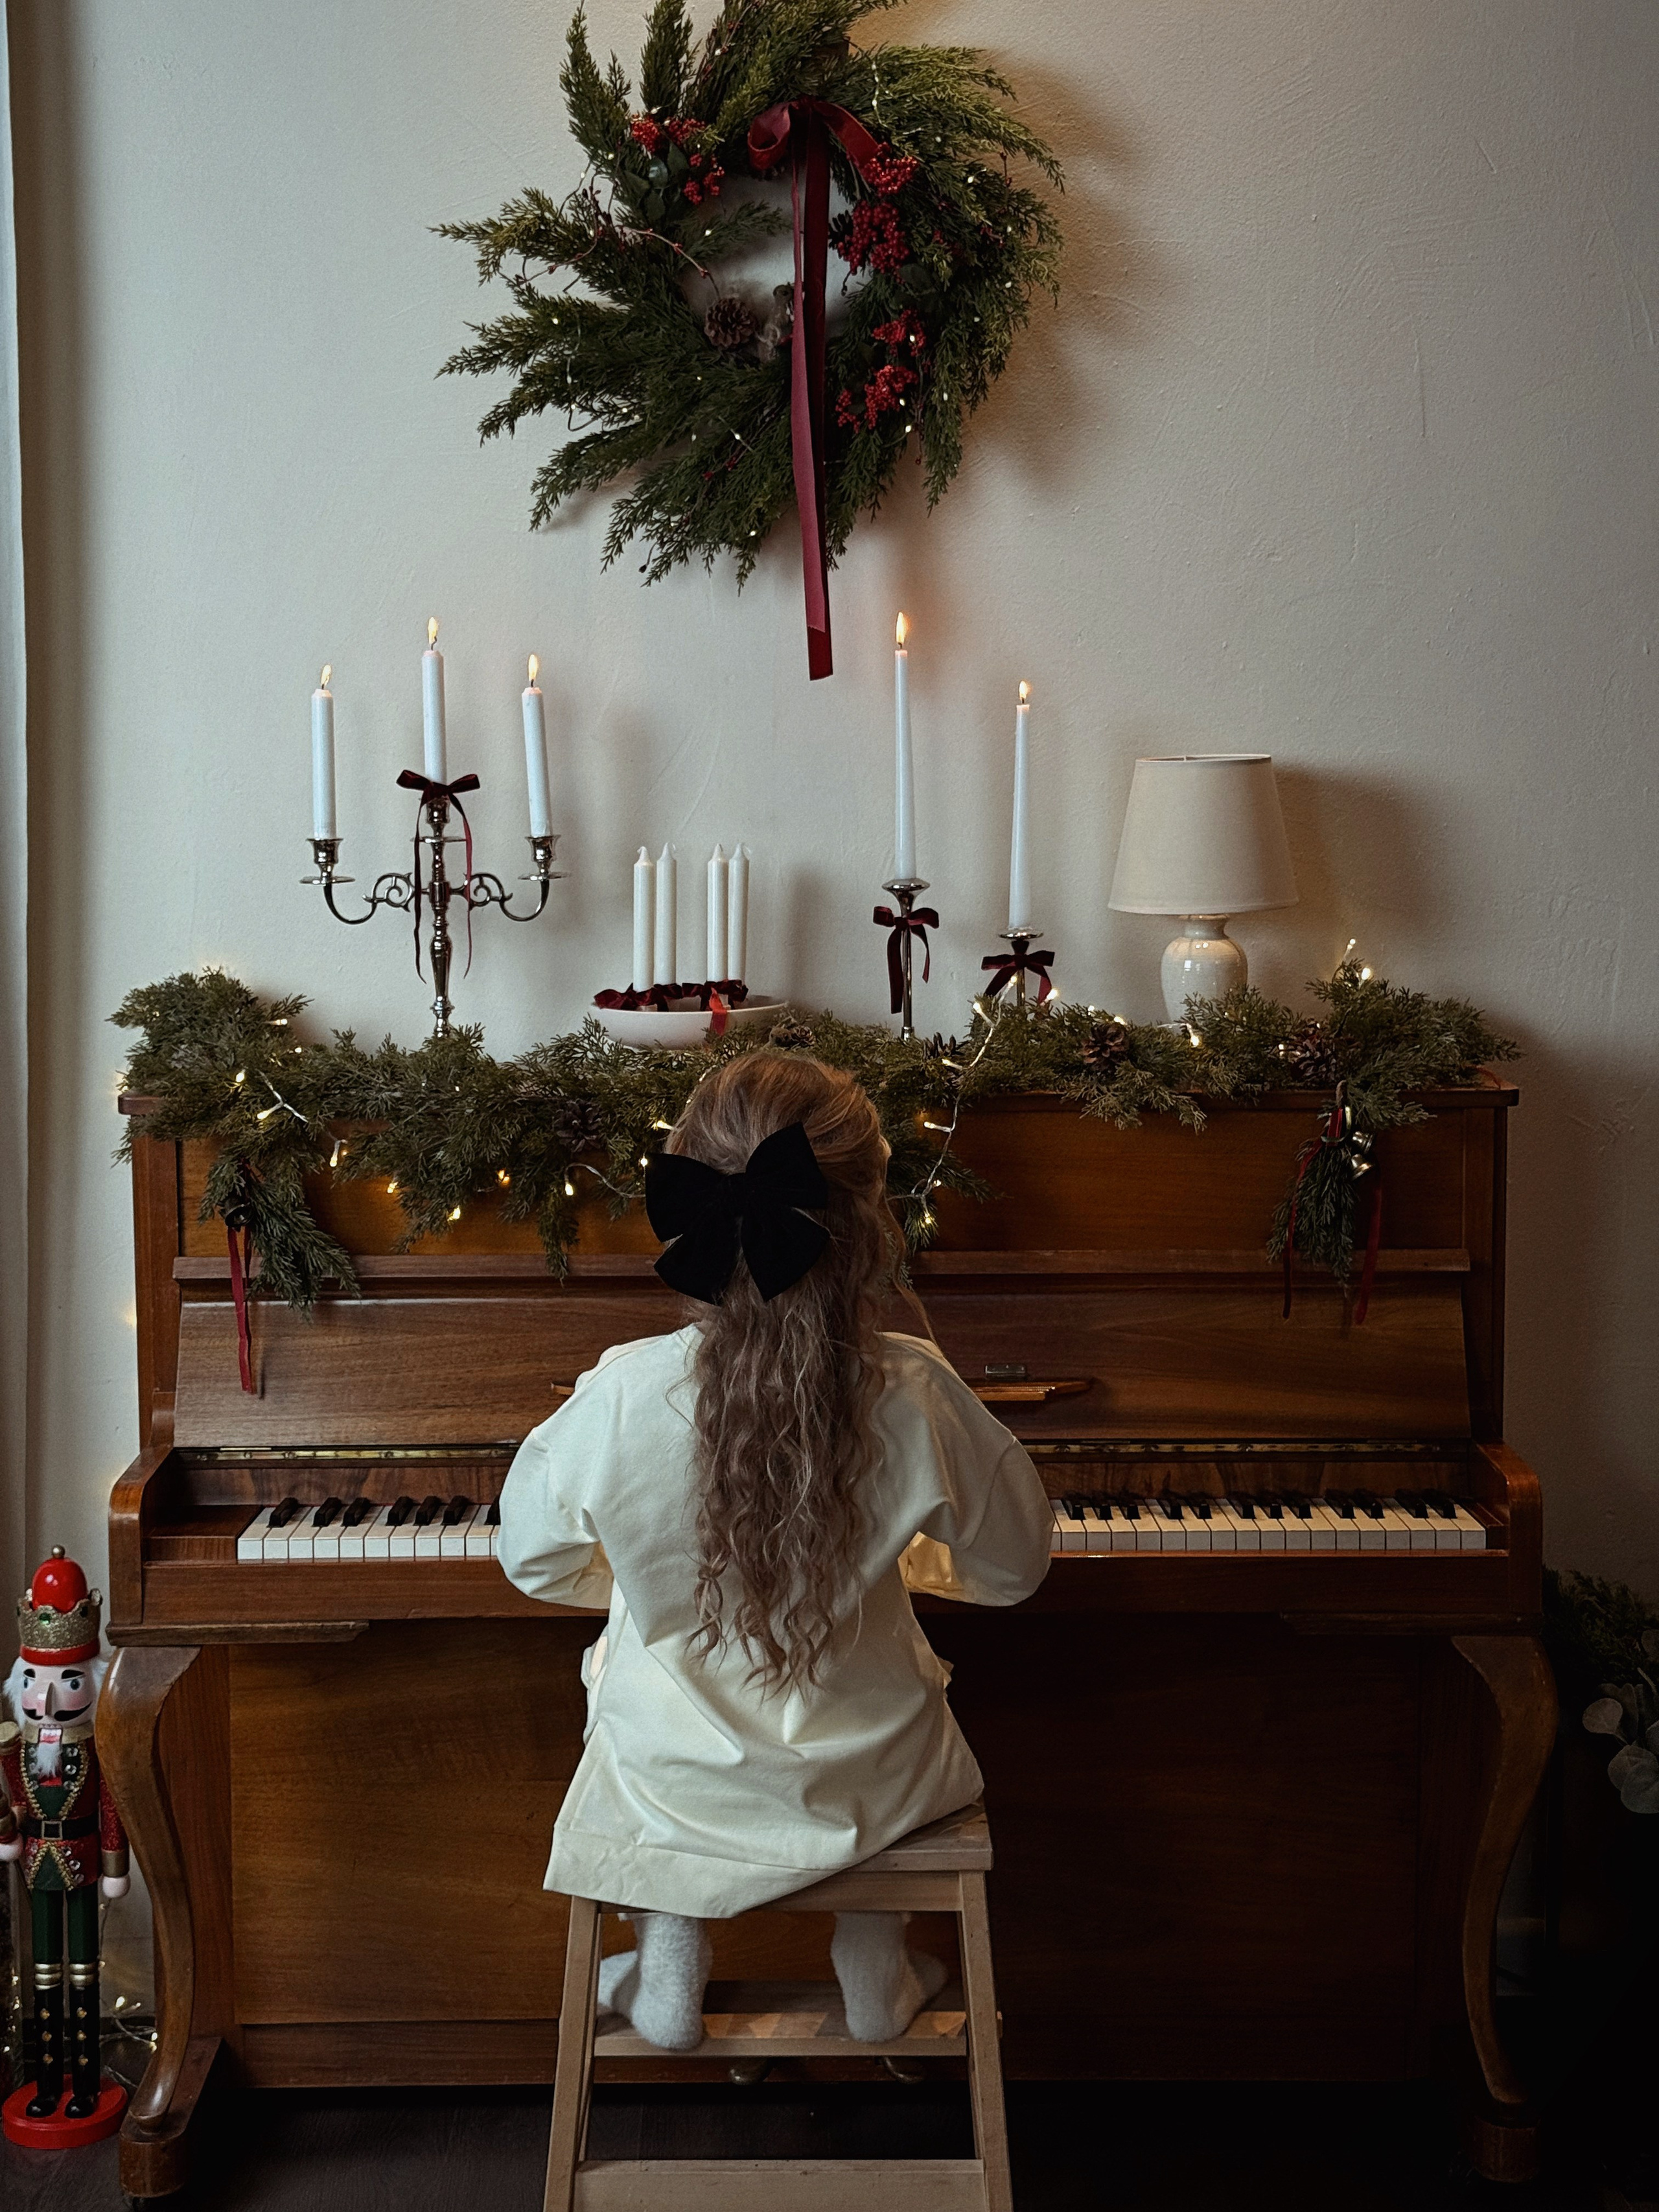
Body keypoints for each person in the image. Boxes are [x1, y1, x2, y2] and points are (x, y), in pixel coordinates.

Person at [498, 1051, 1052, 2052]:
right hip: (869, 1777)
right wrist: (898, 1558)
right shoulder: (914, 1388)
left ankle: (667, 1970)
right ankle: (877, 1973)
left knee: (642, 1674)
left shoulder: (624, 1389)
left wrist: (659, 1583)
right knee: (886, 1680)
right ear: (866, 1216)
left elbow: (531, 1561)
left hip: (676, 1780)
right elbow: (1017, 1566)